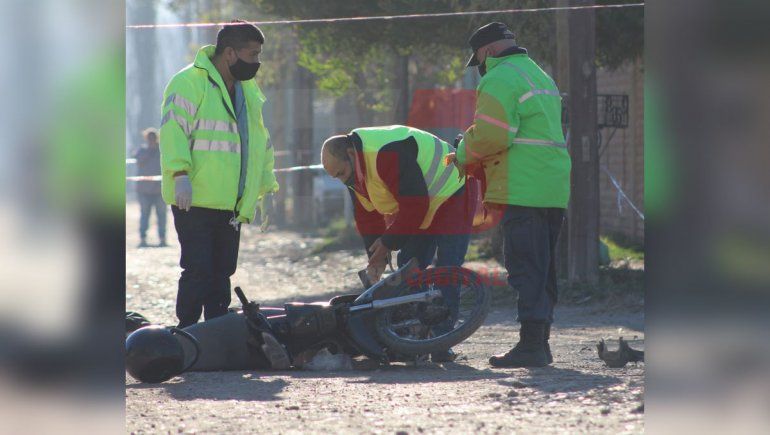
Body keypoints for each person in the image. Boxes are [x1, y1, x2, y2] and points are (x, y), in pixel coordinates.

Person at [451, 23, 572, 367]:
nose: (481, 70)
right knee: (543, 267)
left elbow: (493, 136)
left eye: (478, 62)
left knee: (526, 266)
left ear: (486, 52)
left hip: (522, 186)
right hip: (552, 186)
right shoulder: (539, 76)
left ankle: (532, 346)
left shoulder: (500, 78)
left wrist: (462, 152)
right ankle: (539, 342)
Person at [321, 125, 476, 362]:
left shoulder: (384, 154)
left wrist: (387, 244)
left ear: (351, 154)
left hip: (452, 191)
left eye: (341, 173)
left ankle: (442, 340)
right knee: (409, 267)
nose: (342, 181)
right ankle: (418, 337)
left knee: (448, 267)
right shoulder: (356, 171)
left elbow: (415, 206)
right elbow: (367, 215)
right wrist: (376, 256)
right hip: (423, 201)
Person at [159, 20, 278, 328]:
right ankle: (186, 332)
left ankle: (216, 332)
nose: (256, 62)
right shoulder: (189, 82)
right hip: (194, 198)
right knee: (197, 269)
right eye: (252, 54)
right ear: (229, 53)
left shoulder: (248, 90)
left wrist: (266, 187)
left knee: (222, 271)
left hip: (230, 203)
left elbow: (259, 142)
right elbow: (173, 131)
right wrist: (179, 172)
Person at [133, 127, 166, 247]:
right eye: (149, 138)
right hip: (144, 190)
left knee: (161, 215)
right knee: (144, 215)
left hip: (159, 190)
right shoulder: (142, 150)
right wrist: (149, 151)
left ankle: (162, 238)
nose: (152, 140)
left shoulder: (162, 151)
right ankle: (142, 238)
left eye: (153, 137)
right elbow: (139, 161)